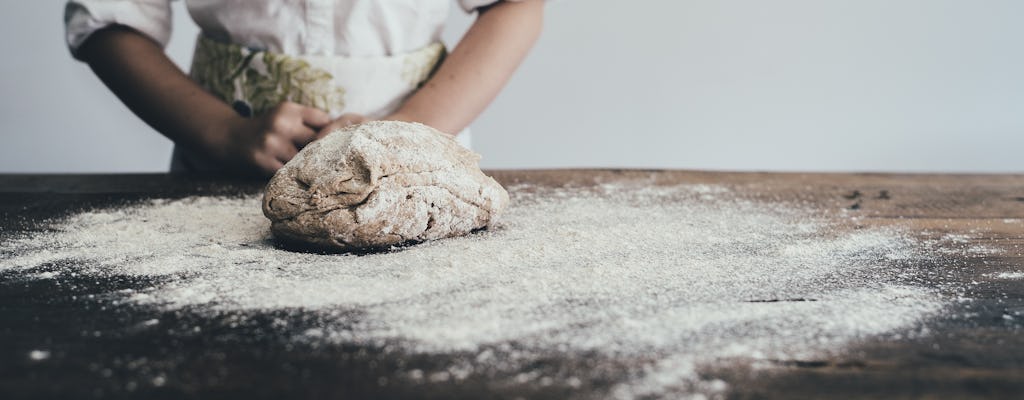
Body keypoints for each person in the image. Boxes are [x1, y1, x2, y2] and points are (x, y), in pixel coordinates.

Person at [65, 0, 544, 176]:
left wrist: (405, 132)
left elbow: (514, 4)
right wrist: (225, 134)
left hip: (414, 169)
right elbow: (106, 20)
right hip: (223, 168)